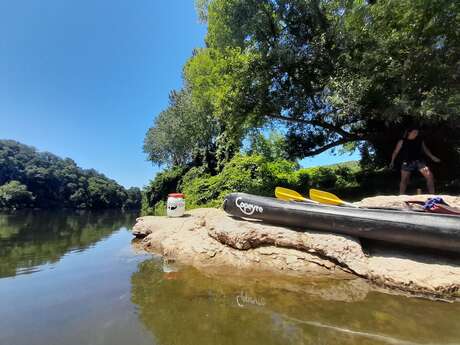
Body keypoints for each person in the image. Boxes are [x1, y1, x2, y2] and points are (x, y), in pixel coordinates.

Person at [389, 127, 441, 194]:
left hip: (419, 161)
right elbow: (396, 152)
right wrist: (392, 161)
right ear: (409, 132)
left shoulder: (420, 140)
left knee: (430, 176)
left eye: (417, 133)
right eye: (414, 132)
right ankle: (401, 196)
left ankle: (432, 195)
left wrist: (432, 157)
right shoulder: (402, 141)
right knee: (404, 180)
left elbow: (426, 150)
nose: (416, 134)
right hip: (407, 161)